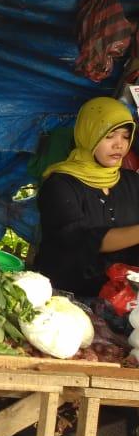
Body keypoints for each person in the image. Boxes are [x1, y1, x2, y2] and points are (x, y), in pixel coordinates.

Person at [35, 96, 139, 297]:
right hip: (65, 298)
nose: (119, 145)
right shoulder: (59, 185)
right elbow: (79, 239)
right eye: (110, 136)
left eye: (126, 136)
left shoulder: (132, 183)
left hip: (122, 298)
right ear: (88, 134)